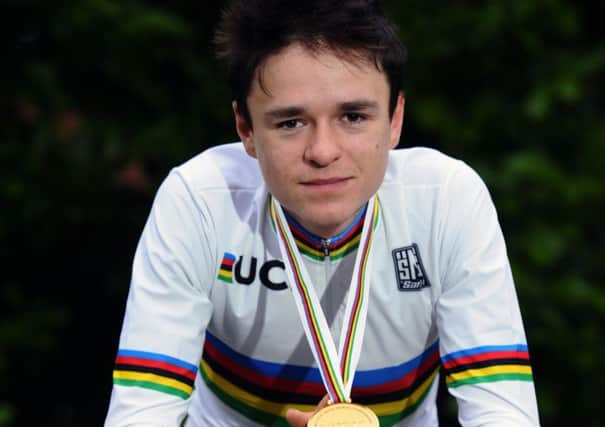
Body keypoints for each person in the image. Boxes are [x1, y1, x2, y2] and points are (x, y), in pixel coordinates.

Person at [105, 0, 540, 426]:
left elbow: (503, 413)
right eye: (290, 123)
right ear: (246, 130)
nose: (323, 152)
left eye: (352, 116)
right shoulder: (199, 200)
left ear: (395, 120)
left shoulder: (446, 200)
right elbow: (141, 414)